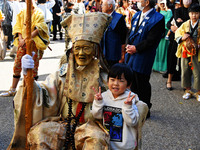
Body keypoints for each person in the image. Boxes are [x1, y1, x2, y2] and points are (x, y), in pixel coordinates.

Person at [7, 12, 112, 149]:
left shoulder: (105, 79)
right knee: (40, 133)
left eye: (86, 48)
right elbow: (43, 95)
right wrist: (28, 76)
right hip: (63, 124)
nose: (81, 53)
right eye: (77, 48)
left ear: (95, 50)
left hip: (92, 127)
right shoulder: (62, 75)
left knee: (96, 140)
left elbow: (117, 104)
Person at [0, 0, 50, 97]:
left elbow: (39, 28)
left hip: (33, 44)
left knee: (32, 66)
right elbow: (18, 26)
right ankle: (13, 89)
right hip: (22, 44)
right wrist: (21, 39)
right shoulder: (22, 12)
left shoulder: (38, 12)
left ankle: (31, 89)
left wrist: (27, 38)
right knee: (17, 64)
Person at [125, 0, 165, 118]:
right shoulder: (137, 14)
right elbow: (131, 32)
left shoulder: (158, 18)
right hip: (132, 52)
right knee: (132, 81)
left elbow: (152, 40)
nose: (137, 1)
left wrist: (136, 48)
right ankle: (134, 106)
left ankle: (145, 108)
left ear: (147, 2)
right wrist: (128, 45)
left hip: (144, 55)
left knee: (142, 81)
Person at [91, 63, 140, 150]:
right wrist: (98, 102)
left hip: (125, 146)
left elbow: (132, 122)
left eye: (121, 81)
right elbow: (96, 115)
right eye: (112, 80)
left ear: (128, 84)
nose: (116, 84)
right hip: (106, 143)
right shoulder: (104, 96)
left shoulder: (130, 99)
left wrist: (128, 107)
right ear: (107, 81)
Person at [175, 3, 200, 101]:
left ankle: (198, 92)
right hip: (186, 51)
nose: (194, 15)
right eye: (192, 13)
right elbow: (177, 35)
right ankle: (188, 90)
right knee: (185, 71)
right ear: (189, 14)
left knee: (197, 72)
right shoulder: (185, 24)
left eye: (196, 13)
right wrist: (182, 38)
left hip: (197, 52)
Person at [166, 0, 192, 90]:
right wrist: (172, 26)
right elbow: (171, 23)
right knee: (172, 59)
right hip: (176, 38)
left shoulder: (194, 10)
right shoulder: (178, 10)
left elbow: (191, 25)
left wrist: (181, 23)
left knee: (186, 62)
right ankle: (169, 81)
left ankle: (186, 84)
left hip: (188, 39)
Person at [101, 0, 127, 68]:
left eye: (103, 5)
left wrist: (122, 54)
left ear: (110, 6)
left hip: (114, 53)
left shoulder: (119, 18)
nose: (101, 7)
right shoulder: (102, 17)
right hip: (103, 53)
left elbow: (123, 37)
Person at [152, 0, 172, 73]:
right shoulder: (156, 12)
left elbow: (168, 23)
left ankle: (163, 68)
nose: (162, 5)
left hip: (165, 34)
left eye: (163, 3)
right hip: (157, 34)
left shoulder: (169, 11)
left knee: (164, 50)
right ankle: (155, 67)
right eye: (160, 3)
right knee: (157, 50)